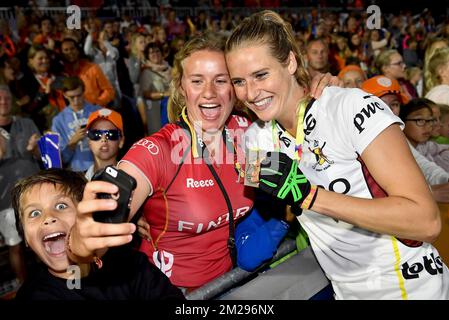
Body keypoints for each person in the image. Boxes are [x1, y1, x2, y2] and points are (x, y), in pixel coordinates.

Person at [65, 33, 339, 292]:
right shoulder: (159, 150)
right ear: (182, 88)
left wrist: (326, 96)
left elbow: (303, 130)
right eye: (197, 81)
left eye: (221, 80)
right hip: (172, 292)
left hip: (231, 284)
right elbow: (103, 221)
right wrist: (83, 240)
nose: (209, 92)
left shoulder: (248, 134)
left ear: (234, 87)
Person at [224, 10, 449, 299]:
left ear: (290, 62)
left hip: (410, 288)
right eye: (239, 81)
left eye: (261, 75)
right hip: (347, 293)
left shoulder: (349, 106)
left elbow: (426, 222)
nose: (251, 92)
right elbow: (250, 203)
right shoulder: (256, 141)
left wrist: (311, 197)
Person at [11, 169, 184, 300]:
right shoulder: (31, 296)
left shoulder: (130, 266)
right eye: (34, 213)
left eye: (61, 206)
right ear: (25, 237)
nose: (48, 218)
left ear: (88, 214)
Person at [0, 85, 41, 287]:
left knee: (42, 238)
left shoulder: (26, 123)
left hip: (33, 194)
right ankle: (24, 288)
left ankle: (53, 282)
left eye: (7, 97)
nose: (3, 101)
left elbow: (45, 157)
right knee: (14, 245)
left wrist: (35, 150)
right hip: (5, 200)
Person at [50, 76, 101, 172]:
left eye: (79, 95)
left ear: (84, 92)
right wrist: (73, 142)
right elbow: (61, 159)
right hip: (77, 171)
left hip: (101, 167)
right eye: (72, 97)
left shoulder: (97, 111)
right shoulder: (59, 121)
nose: (76, 101)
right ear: (64, 95)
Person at [60, 38, 115, 108]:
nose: (70, 52)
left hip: (95, 111)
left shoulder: (93, 68)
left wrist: (97, 104)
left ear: (78, 50)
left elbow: (109, 91)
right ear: (62, 53)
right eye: (66, 50)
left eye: (72, 48)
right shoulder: (62, 74)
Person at [84, 108, 125, 180]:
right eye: (96, 134)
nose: (103, 139)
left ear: (121, 141)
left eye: (111, 134)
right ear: (89, 142)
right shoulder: (80, 183)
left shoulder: (130, 180)